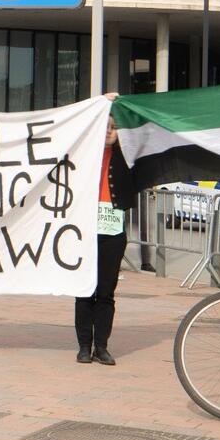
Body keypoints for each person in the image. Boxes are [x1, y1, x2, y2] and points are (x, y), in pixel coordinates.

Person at [73, 115, 137, 366]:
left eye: (115, 127)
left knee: (106, 291)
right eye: (106, 126)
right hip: (84, 230)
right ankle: (83, 347)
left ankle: (102, 346)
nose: (110, 131)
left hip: (112, 231)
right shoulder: (84, 153)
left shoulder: (127, 157)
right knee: (84, 290)